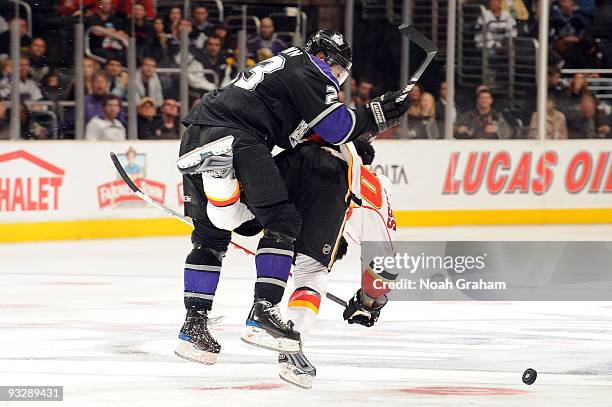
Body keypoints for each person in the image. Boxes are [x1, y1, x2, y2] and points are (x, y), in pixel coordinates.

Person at [174, 30, 411, 365]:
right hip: (239, 135)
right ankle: (264, 312)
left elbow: (306, 132)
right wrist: (377, 114)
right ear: (326, 58)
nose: (338, 79)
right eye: (339, 71)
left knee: (209, 239)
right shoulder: (312, 70)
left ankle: (193, 328)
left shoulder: (285, 65)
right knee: (282, 223)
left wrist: (374, 115)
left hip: (198, 130)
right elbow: (335, 129)